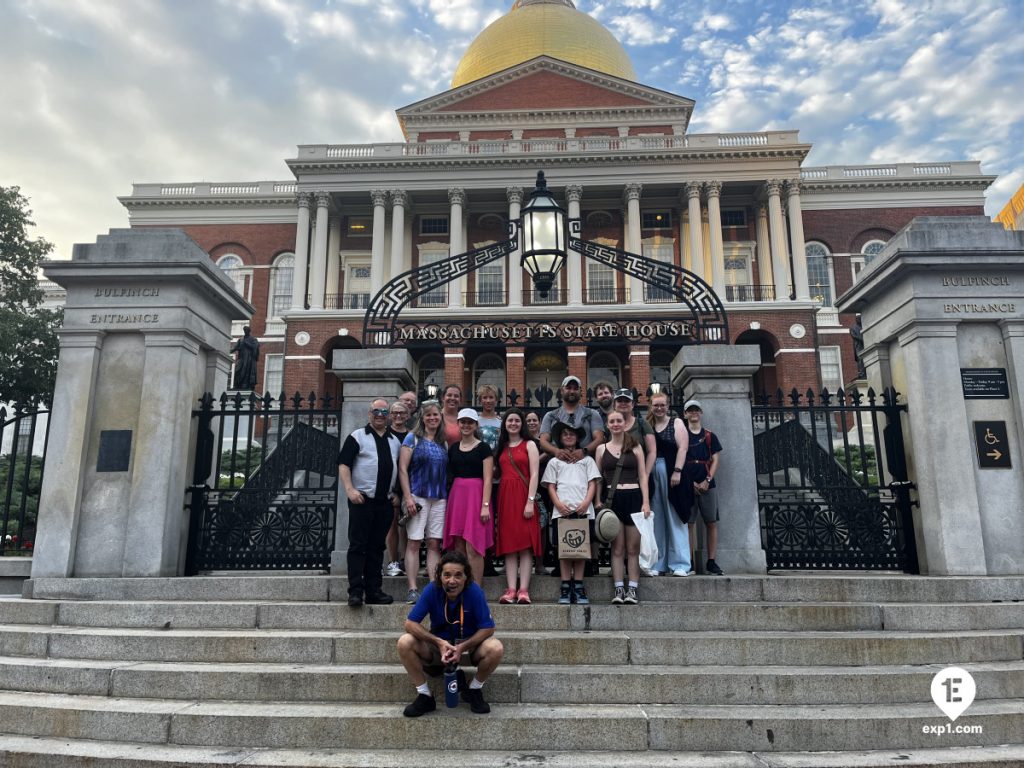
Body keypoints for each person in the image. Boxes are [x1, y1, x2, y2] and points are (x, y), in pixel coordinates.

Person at [397, 550, 504, 716]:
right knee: (405, 641)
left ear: (466, 577)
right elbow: (410, 624)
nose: (452, 581)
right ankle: (425, 695)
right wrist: (438, 643)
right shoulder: (432, 590)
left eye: (458, 575)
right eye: (447, 575)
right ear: (439, 576)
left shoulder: (474, 591)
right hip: (439, 646)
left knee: (495, 647)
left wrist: (462, 647)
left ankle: (474, 690)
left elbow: (488, 628)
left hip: (469, 647)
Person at [338, 398, 401, 607]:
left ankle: (374, 590)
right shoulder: (357, 437)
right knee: (358, 546)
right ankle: (355, 591)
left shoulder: (394, 441)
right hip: (361, 500)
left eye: (384, 411)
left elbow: (399, 470)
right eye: (376, 411)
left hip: (384, 503)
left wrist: (396, 494)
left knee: (376, 547)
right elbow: (344, 464)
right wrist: (350, 490)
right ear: (369, 413)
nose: (380, 415)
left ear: (389, 415)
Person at [541, 421, 601, 605]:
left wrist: (586, 502)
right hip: (562, 511)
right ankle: (566, 584)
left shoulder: (587, 461)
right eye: (565, 434)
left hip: (583, 509)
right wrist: (557, 504)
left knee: (581, 549)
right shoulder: (554, 462)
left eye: (572, 434)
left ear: (578, 438)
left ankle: (579, 584)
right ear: (559, 438)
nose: (568, 436)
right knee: (565, 549)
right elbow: (551, 485)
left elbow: (593, 483)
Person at [595, 410, 650, 605]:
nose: (616, 424)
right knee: (617, 548)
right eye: (612, 421)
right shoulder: (601, 449)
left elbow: (643, 476)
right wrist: (597, 501)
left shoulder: (635, 447)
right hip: (613, 499)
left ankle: (632, 590)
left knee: (633, 548)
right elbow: (598, 478)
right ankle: (619, 588)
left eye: (619, 421)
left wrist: (646, 502)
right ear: (608, 425)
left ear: (625, 424)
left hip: (634, 497)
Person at [398, 401, 448, 604]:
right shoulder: (412, 438)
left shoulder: (443, 442)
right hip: (418, 495)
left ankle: (434, 587)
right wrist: (408, 497)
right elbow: (402, 469)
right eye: (428, 415)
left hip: (439, 497)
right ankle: (412, 588)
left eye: (436, 415)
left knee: (434, 543)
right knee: (414, 542)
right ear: (422, 418)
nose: (433, 418)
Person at [494, 408, 542, 604]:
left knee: (525, 546)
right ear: (504, 424)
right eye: (509, 420)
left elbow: (535, 474)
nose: (513, 423)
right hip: (506, 497)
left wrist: (530, 501)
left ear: (522, 424)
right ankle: (511, 589)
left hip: (523, 495)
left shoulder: (529, 444)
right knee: (509, 546)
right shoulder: (501, 446)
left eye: (516, 420)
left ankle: (524, 589)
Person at [442, 408, 494, 579]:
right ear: (458, 424)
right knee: (458, 544)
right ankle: (461, 585)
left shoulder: (483, 448)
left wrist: (485, 505)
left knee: (473, 545)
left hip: (476, 497)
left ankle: (475, 589)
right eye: (463, 422)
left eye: (470, 422)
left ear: (476, 425)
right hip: (457, 498)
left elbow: (488, 479)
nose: (466, 425)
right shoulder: (453, 448)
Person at [645, 393, 692, 576]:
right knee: (657, 519)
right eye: (656, 405)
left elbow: (683, 447)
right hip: (653, 472)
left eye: (662, 405)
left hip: (672, 471)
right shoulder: (648, 425)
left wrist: (677, 471)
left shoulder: (676, 423)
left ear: (668, 405)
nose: (659, 408)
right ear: (650, 406)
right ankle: (659, 564)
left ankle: (680, 564)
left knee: (675, 517)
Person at [681, 399, 725, 576]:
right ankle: (689, 561)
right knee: (689, 524)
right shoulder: (682, 435)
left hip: (708, 482)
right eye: (690, 410)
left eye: (696, 410)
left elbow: (716, 459)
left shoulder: (709, 435)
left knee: (711, 522)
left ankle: (711, 561)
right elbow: (679, 460)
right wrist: (689, 482)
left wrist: (708, 479)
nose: (693, 413)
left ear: (701, 412)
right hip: (688, 483)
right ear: (685, 414)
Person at [539, 376, 605, 460]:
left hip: (586, 465)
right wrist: (556, 451)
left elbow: (599, 439)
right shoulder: (550, 416)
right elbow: (543, 441)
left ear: (580, 391)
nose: (572, 391)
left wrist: (584, 451)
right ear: (562, 391)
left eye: (575, 388)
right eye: (568, 388)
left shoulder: (592, 414)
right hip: (558, 466)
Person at [385, 401, 411, 578]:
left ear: (408, 415)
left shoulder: (412, 435)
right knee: (392, 524)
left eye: (402, 412)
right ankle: (393, 561)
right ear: (390, 415)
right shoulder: (385, 435)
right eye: (395, 412)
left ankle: (405, 560)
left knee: (409, 526)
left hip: (410, 485)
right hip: (392, 485)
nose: (398, 416)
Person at [230, 325, 260, 391]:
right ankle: (237, 384)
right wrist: (229, 350)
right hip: (241, 358)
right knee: (238, 370)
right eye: (244, 330)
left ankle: (245, 385)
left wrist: (247, 344)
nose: (245, 332)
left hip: (249, 359)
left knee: (247, 373)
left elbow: (255, 347)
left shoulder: (253, 339)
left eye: (246, 330)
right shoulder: (241, 340)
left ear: (249, 331)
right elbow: (235, 348)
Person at [476, 384, 502, 451]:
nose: (488, 401)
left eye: (491, 397)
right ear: (480, 400)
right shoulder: (476, 421)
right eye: (485, 397)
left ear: (496, 399)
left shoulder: (501, 422)